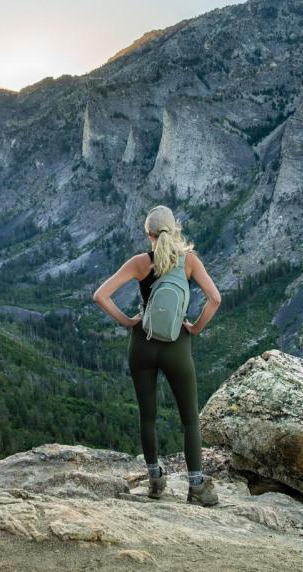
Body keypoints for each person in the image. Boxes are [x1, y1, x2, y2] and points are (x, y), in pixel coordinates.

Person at [91, 205, 222, 506]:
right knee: (190, 419)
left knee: (147, 416)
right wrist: (195, 328)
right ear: (174, 230)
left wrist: (127, 321)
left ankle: (154, 480)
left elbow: (100, 295)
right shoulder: (189, 261)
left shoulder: (140, 263)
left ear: (148, 234)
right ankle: (197, 486)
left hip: (143, 343)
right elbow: (215, 299)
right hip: (177, 343)